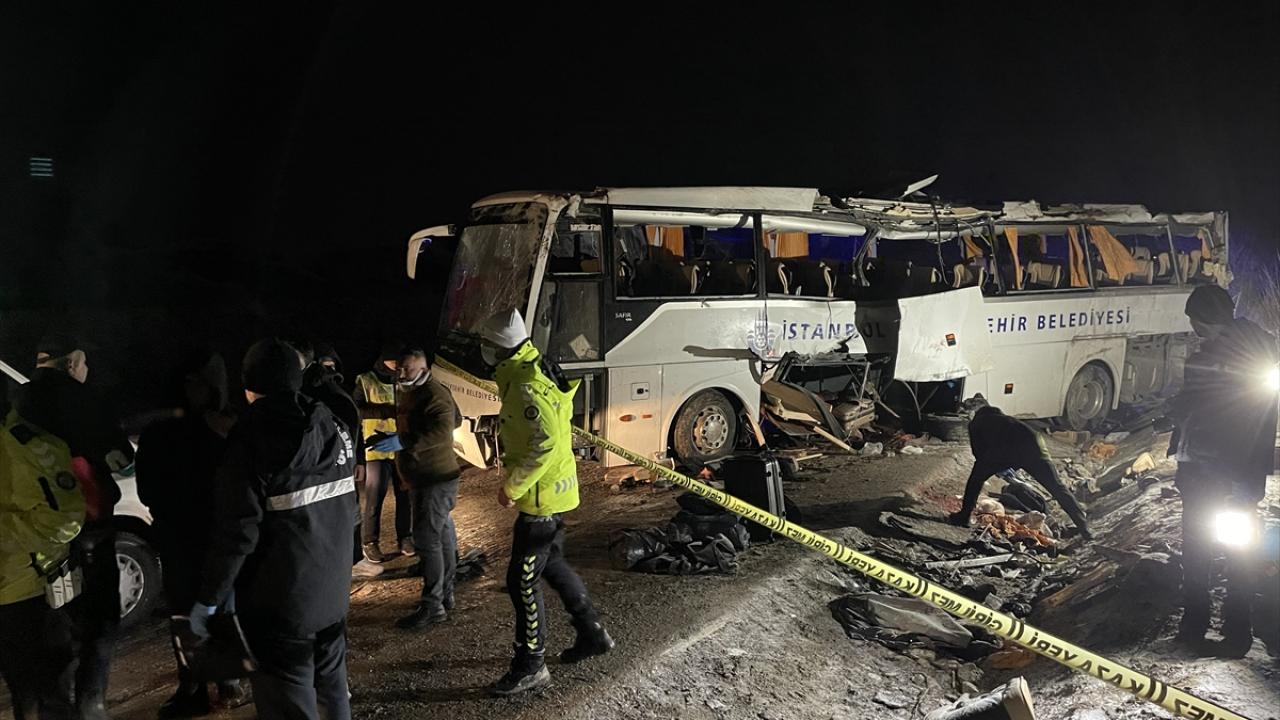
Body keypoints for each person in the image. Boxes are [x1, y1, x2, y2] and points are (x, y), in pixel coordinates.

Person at [194, 339, 358, 719]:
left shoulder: (251, 438)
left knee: (289, 705)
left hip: (281, 607)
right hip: (333, 594)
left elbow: (238, 533)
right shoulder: (332, 424)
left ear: (249, 386)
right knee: (333, 692)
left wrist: (210, 599)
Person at [478, 309, 613, 696]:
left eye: (488, 344)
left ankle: (531, 665)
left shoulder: (525, 386)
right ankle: (591, 633)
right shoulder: (534, 368)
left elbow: (546, 442)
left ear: (500, 348)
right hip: (554, 492)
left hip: (541, 499)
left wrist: (512, 487)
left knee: (520, 582)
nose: (484, 351)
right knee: (551, 564)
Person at [13, 333, 134, 720]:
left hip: (38, 537)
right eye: (84, 362)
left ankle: (57, 707)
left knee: (55, 628)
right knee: (100, 621)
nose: (87, 369)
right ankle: (90, 704)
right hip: (88, 527)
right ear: (70, 363)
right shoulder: (86, 400)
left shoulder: (16, 403)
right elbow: (121, 458)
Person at [1165, 284, 1278, 657]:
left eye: (1194, 320)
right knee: (1238, 552)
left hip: (1210, 472)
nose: (1193, 327)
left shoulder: (1214, 359)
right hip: (1240, 474)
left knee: (1201, 550)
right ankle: (1235, 632)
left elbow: (1202, 409)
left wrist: (1174, 411)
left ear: (1203, 319)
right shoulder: (1259, 354)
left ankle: (1198, 627)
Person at [134, 350, 246, 717]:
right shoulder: (164, 431)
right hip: (181, 536)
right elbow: (147, 490)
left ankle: (228, 679)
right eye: (189, 383)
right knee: (184, 612)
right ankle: (194, 684)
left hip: (214, 535)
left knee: (222, 604)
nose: (193, 390)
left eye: (200, 383)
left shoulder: (225, 426)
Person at [1, 389, 84, 720]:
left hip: (31, 593)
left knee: (48, 696)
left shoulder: (30, 446)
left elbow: (66, 519)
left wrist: (5, 533)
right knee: (23, 694)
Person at [392, 348, 462, 630]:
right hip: (427, 478)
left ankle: (433, 606)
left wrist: (405, 442)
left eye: (406, 369)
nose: (401, 374)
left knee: (427, 540)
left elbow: (443, 429)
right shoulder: (416, 391)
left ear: (423, 368)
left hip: (434, 479)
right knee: (441, 537)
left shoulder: (433, 393)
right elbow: (455, 419)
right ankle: (444, 596)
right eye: (399, 368)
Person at [949, 403, 1093, 539]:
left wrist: (991, 468)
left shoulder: (976, 423)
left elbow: (978, 454)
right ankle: (1084, 527)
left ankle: (964, 516)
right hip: (1034, 443)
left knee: (976, 479)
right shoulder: (1008, 420)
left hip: (1006, 449)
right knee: (1057, 487)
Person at [354, 343, 412, 562]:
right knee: (374, 498)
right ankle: (370, 542)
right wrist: (384, 411)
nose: (397, 364)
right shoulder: (365, 380)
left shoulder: (404, 380)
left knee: (404, 496)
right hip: (376, 449)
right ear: (385, 359)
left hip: (400, 446)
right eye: (394, 360)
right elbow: (356, 410)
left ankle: (405, 537)